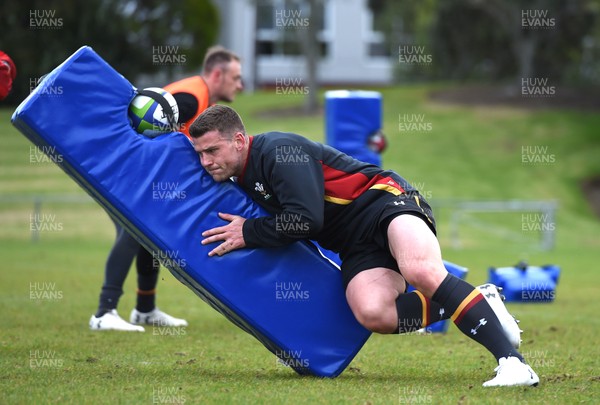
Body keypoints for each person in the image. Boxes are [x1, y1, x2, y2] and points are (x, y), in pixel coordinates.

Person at [187, 104, 540, 387]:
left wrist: (249, 232)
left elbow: (307, 220)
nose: (206, 162)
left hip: (385, 202)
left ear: (238, 139)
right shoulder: (242, 177)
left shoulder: (279, 151)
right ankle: (482, 299)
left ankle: (514, 365)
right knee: (375, 313)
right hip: (354, 243)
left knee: (421, 270)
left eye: (212, 150)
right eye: (200, 154)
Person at [89, 46, 243, 331]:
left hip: (140, 176)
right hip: (128, 173)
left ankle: (145, 309)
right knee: (134, 231)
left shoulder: (200, 97)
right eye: (236, 77)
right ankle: (104, 311)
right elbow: (148, 134)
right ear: (218, 74)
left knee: (150, 234)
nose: (240, 85)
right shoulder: (190, 98)